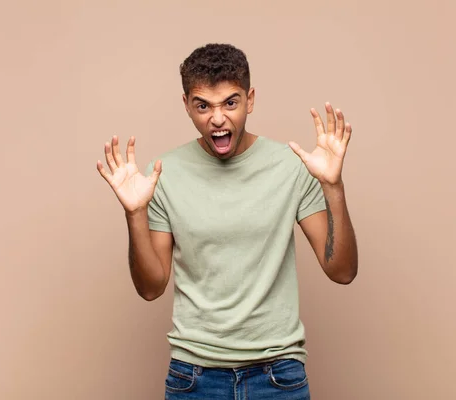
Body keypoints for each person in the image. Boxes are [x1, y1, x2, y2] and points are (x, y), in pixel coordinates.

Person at [97, 43, 358, 399]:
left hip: (278, 374)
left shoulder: (291, 166)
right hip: (194, 376)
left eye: (230, 103)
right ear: (187, 104)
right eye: (203, 105)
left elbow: (341, 271)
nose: (217, 119)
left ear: (250, 100)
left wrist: (333, 186)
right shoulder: (163, 174)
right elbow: (150, 288)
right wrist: (135, 214)